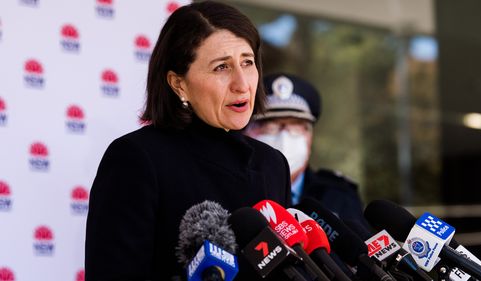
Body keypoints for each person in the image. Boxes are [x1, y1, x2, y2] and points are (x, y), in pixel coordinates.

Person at [84, 2, 291, 280]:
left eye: (247, 62)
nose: (242, 83)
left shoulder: (272, 164)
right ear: (178, 84)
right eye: (221, 67)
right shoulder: (136, 158)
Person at [245, 73, 367, 225]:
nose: (284, 137)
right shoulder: (228, 190)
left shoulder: (339, 195)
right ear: (245, 131)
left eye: (296, 126)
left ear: (310, 136)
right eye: (269, 126)